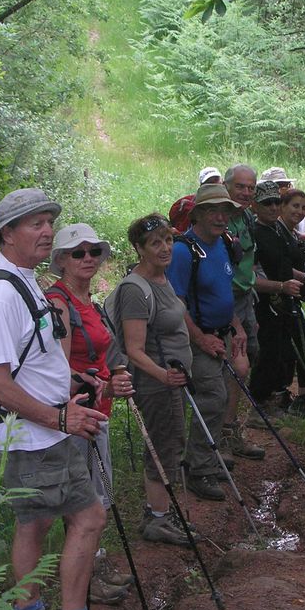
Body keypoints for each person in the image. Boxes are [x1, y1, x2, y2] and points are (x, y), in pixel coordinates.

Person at [0, 187, 136, 610]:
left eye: (48, 221)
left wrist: (74, 379)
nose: (45, 231)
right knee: (88, 519)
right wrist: (59, 416)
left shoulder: (22, 282)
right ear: (6, 233)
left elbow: (30, 362)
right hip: (38, 436)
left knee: (34, 524)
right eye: (34, 224)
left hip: (42, 434)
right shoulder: (0, 292)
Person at [45, 224, 136, 604]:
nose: (88, 259)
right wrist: (92, 386)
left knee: (98, 495)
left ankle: (94, 566)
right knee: (85, 503)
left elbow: (99, 358)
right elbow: (57, 371)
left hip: (96, 412)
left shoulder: (89, 301)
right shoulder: (59, 302)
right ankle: (85, 582)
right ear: (62, 260)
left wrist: (113, 384)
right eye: (77, 253)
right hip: (76, 417)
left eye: (93, 252)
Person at [110, 214, 194, 546]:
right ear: (139, 248)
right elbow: (134, 349)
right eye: (155, 242)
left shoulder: (162, 278)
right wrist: (164, 375)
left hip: (170, 379)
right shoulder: (135, 289)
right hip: (155, 382)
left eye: (168, 240)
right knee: (164, 445)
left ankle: (162, 514)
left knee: (172, 442)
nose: (165, 248)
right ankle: (157, 519)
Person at [167, 182, 247, 501]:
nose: (221, 217)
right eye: (213, 210)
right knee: (212, 397)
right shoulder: (183, 251)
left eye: (225, 210)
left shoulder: (221, 244)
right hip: (196, 339)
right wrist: (201, 340)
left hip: (222, 334)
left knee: (221, 396)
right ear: (197, 214)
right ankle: (199, 469)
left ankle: (208, 458)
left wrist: (237, 326)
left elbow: (223, 294)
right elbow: (175, 304)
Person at [250, 184, 305, 421]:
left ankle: (292, 399)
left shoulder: (276, 230)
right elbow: (250, 276)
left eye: (275, 202)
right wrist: (281, 287)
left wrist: (304, 277)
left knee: (288, 351)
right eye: (268, 203)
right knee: (272, 353)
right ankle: (262, 406)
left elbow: (284, 266)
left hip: (284, 300)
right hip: (266, 303)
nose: (273, 207)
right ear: (256, 206)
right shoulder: (255, 233)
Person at [221, 164, 265, 462]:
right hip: (225, 302)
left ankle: (231, 429)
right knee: (233, 366)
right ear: (226, 187)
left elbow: (250, 258)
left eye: (251, 187)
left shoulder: (246, 216)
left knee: (247, 358)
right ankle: (222, 436)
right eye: (241, 187)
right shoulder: (220, 220)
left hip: (245, 296)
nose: (247, 192)